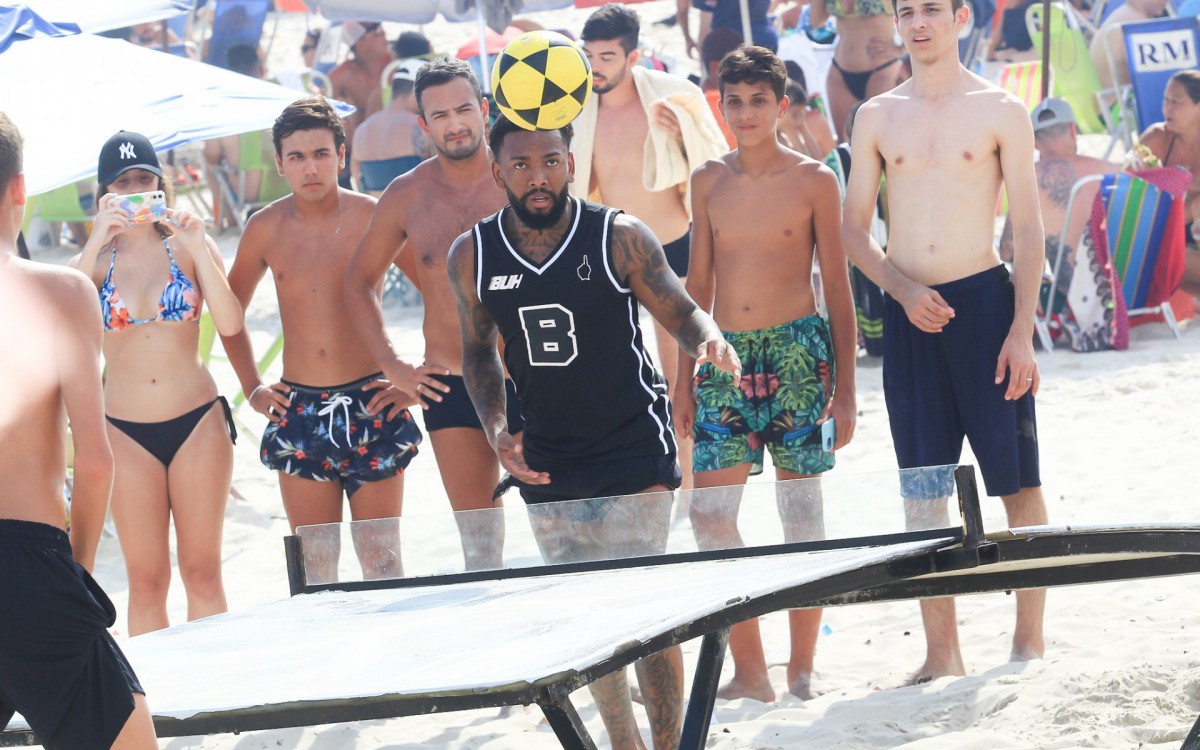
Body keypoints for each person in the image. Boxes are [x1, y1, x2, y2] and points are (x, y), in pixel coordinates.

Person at [448, 115, 741, 750]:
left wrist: (709, 338)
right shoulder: (472, 252)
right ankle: (623, 745)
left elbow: (678, 306)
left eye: (551, 161)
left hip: (634, 446)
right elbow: (477, 353)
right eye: (521, 165)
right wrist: (497, 428)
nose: (538, 176)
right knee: (591, 617)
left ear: (571, 164)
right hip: (548, 458)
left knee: (647, 614)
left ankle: (670, 746)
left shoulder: (618, 235)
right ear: (498, 171)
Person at [841, 0, 1048, 683]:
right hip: (910, 314)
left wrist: (1022, 329)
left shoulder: (1000, 110)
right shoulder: (875, 115)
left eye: (933, 8)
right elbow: (852, 231)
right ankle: (941, 652)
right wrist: (900, 291)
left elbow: (1026, 228)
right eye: (908, 11)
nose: (919, 22)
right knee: (922, 489)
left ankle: (1029, 641)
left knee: (1017, 484)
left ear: (961, 16)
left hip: (986, 307)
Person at [673, 46, 857, 702]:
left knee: (801, 514)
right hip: (721, 358)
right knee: (710, 515)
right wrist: (680, 381)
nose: (745, 114)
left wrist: (847, 391)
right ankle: (750, 671)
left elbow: (837, 287)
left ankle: (801, 667)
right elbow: (693, 289)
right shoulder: (707, 181)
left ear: (781, 106)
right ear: (719, 106)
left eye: (758, 101)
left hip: (799, 357)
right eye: (734, 101)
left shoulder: (815, 179)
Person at [0, 113, 160, 750]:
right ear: (19, 191)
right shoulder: (59, 293)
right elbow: (94, 461)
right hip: (30, 562)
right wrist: (79, 573)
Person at [220, 97, 421, 584]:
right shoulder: (265, 227)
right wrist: (252, 387)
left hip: (372, 402)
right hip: (299, 408)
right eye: (297, 156)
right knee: (316, 566)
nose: (310, 167)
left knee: (383, 561)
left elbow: (436, 286)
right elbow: (229, 314)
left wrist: (412, 377)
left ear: (342, 155)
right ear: (280, 164)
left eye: (321, 154)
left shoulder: (373, 217)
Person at [345, 58, 515, 572]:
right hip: (451, 381)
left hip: (533, 374)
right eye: (439, 115)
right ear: (423, 125)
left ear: (484, 110)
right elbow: (358, 283)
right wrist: (394, 364)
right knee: (480, 545)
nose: (455, 123)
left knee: (565, 528)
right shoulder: (406, 196)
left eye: (464, 109)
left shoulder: (519, 175)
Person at [71, 131, 243, 636]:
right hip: (124, 431)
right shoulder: (95, 264)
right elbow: (70, 325)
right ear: (105, 193)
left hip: (197, 421)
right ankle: (162, 708)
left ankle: (219, 702)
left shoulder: (189, 245)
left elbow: (230, 323)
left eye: (144, 179)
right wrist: (94, 239)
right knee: (146, 581)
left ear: (160, 184)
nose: (135, 189)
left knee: (203, 571)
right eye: (123, 183)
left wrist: (199, 247)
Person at [576, 3, 728, 487]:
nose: (594, 66)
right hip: (607, 253)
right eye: (589, 55)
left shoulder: (669, 100)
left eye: (605, 56)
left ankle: (690, 474)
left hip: (669, 245)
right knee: (614, 368)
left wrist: (678, 134)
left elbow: (710, 163)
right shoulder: (577, 110)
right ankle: (641, 469)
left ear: (633, 57)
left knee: (679, 368)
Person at [999, 99, 1122, 293]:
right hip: (1122, 295)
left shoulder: (1030, 178)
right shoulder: (1112, 171)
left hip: (1069, 304)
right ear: (1073, 130)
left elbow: (1007, 251)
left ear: (1035, 143)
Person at [809, 0, 905, 141]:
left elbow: (919, 15)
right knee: (846, 145)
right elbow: (815, 21)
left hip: (881, 72)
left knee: (883, 143)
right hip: (839, 73)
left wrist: (900, 50)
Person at [1132, 70, 1200, 254]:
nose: (1166, 109)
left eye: (1175, 102)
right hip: (1158, 234)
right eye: (1166, 100)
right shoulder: (1157, 138)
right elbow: (1122, 191)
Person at [350, 59, 430, 196]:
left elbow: (358, 184)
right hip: (418, 212)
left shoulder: (361, 130)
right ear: (418, 92)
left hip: (377, 212)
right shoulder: (420, 126)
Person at [330, 21, 395, 185]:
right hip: (361, 145)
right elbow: (318, 102)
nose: (384, 35)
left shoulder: (396, 65)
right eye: (377, 32)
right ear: (360, 43)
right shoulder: (345, 73)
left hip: (397, 137)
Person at [1089, 0, 1171, 90]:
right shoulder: (1135, 22)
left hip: (1106, 99)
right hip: (1119, 102)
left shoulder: (1123, 14)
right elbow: (1157, 77)